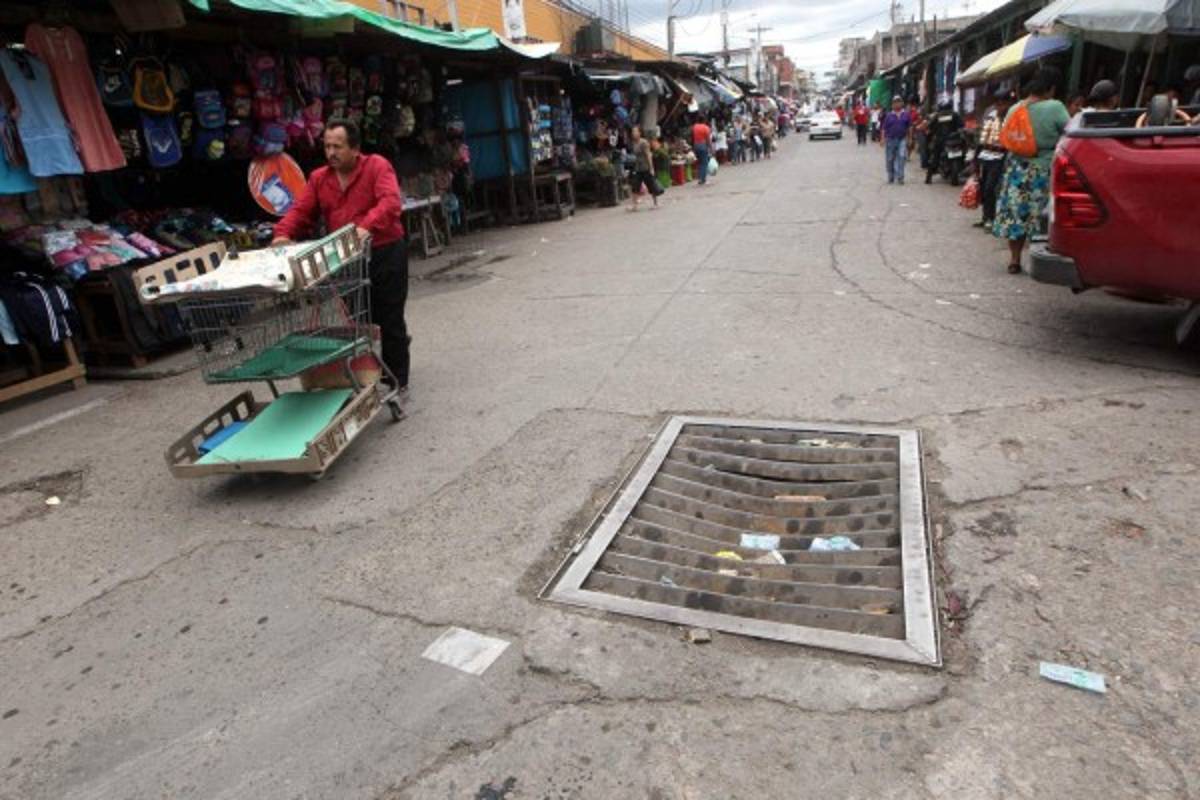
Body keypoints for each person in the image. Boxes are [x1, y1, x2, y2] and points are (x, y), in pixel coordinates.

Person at [273, 118, 410, 389]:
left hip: (384, 251)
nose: (331, 153)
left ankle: (397, 381)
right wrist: (282, 233)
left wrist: (364, 228)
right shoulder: (319, 178)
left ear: (355, 148)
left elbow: (390, 202)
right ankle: (367, 378)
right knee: (360, 322)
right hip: (347, 259)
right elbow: (302, 211)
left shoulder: (377, 166)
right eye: (327, 146)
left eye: (338, 146)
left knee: (390, 318)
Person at [993, 67, 1070, 274]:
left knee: (1017, 216)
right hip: (1044, 171)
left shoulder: (1015, 108)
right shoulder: (1055, 107)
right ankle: (1044, 260)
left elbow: (1006, 137)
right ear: (1051, 88)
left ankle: (1015, 260)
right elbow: (1070, 132)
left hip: (1017, 170)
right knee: (1043, 217)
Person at [974, 91, 1014, 229]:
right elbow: (983, 137)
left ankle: (993, 218)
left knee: (992, 188)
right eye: (997, 104)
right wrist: (976, 160)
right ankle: (986, 217)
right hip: (986, 155)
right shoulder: (991, 116)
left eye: (1002, 104)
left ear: (1008, 104)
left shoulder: (1011, 118)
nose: (999, 107)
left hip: (1001, 157)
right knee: (985, 187)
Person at [879, 95, 912, 184]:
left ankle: (900, 177)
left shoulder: (906, 115)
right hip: (890, 140)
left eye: (899, 102)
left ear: (902, 103)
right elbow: (883, 128)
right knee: (890, 159)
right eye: (895, 102)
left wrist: (910, 138)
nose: (897, 104)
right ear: (892, 104)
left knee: (901, 157)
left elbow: (909, 127)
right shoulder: (889, 115)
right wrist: (882, 139)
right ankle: (891, 176)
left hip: (902, 139)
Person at [627, 126, 661, 212]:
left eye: (635, 131)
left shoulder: (644, 142)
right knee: (635, 186)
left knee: (651, 185)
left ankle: (656, 203)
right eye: (633, 132)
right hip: (638, 168)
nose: (633, 133)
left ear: (640, 133)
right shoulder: (634, 143)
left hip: (646, 167)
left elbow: (648, 155)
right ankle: (634, 206)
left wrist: (651, 168)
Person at [691, 115, 712, 185]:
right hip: (703, 145)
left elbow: (692, 137)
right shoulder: (706, 128)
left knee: (700, 162)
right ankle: (703, 179)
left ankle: (700, 178)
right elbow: (708, 139)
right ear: (704, 120)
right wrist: (710, 147)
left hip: (696, 145)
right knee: (704, 163)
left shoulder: (694, 127)